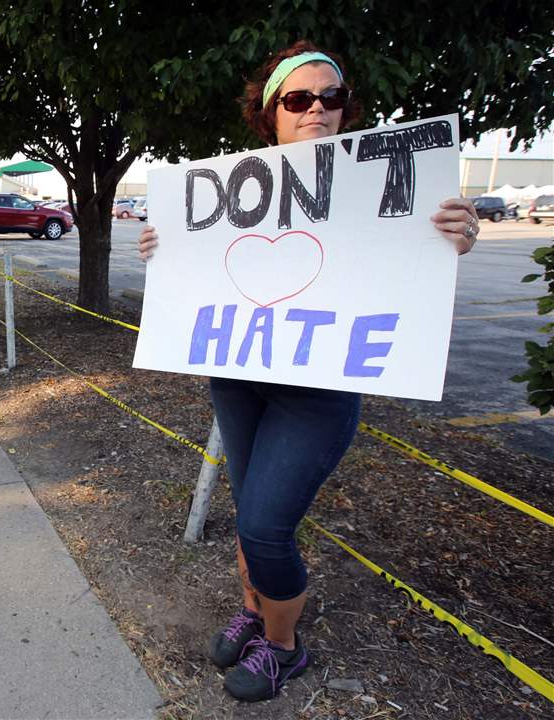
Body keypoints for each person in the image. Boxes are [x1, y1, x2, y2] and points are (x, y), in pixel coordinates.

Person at [138, 41, 479, 702]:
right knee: (246, 516)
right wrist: (161, 246)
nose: (317, 109)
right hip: (238, 377)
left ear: (346, 110)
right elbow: (194, 267)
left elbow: (411, 264)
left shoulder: (385, 183)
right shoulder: (227, 186)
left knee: (267, 526)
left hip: (317, 394)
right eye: (299, 99)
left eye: (332, 98)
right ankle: (256, 610)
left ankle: (285, 647)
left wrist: (455, 237)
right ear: (273, 114)